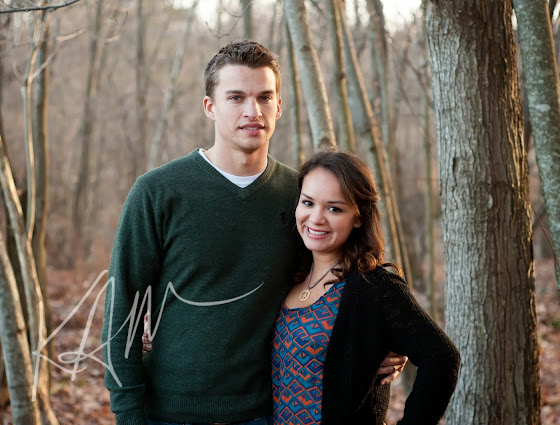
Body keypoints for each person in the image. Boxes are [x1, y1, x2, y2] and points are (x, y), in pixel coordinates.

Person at [102, 40, 405, 425]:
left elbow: (343, 279)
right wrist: (129, 415)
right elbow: (121, 316)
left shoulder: (302, 199)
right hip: (168, 413)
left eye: (264, 97)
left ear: (278, 106)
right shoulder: (158, 192)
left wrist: (385, 337)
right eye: (236, 97)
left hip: (265, 413)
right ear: (210, 107)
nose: (253, 111)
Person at [270, 151, 460, 425]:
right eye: (308, 203)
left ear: (358, 217)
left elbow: (442, 357)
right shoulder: (288, 277)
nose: (316, 218)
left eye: (334, 209)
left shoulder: (373, 287)